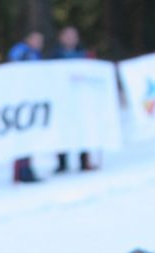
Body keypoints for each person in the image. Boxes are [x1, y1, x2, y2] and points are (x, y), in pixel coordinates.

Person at [50, 26, 96, 174]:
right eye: (67, 36)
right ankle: (62, 161)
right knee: (62, 128)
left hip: (80, 98)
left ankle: (84, 159)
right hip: (62, 99)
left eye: (73, 36)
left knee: (83, 126)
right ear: (61, 38)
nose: (71, 39)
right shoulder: (55, 56)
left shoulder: (84, 54)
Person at [8, 31, 44, 183]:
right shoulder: (21, 51)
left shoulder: (35, 54)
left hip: (31, 99)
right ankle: (20, 171)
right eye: (36, 40)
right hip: (19, 100)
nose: (38, 43)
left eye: (40, 40)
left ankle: (27, 168)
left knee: (29, 135)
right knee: (21, 135)